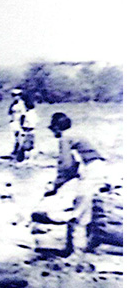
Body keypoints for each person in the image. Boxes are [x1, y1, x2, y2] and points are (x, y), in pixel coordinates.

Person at [35, 112, 108, 251]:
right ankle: (88, 245)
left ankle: (75, 249)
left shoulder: (65, 138)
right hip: (98, 168)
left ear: (57, 128)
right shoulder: (76, 134)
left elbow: (66, 165)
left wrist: (56, 185)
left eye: (53, 129)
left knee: (78, 210)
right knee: (87, 205)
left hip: (90, 170)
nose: (53, 133)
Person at [14, 96, 38, 163]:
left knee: (25, 146)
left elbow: (25, 123)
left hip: (27, 131)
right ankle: (30, 158)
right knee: (31, 145)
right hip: (33, 130)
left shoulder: (27, 114)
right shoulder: (34, 113)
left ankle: (24, 159)